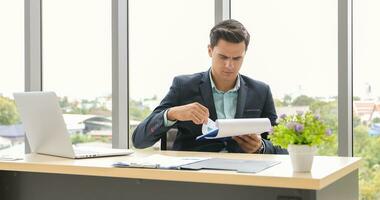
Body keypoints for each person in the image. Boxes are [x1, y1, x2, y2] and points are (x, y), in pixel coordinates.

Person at [132, 19, 287, 154]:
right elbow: (139, 140)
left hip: (244, 176)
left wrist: (261, 147)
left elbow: (283, 148)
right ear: (210, 50)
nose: (229, 65)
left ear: (245, 54)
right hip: (195, 177)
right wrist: (171, 114)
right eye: (223, 57)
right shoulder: (183, 86)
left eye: (237, 58)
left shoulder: (261, 91)